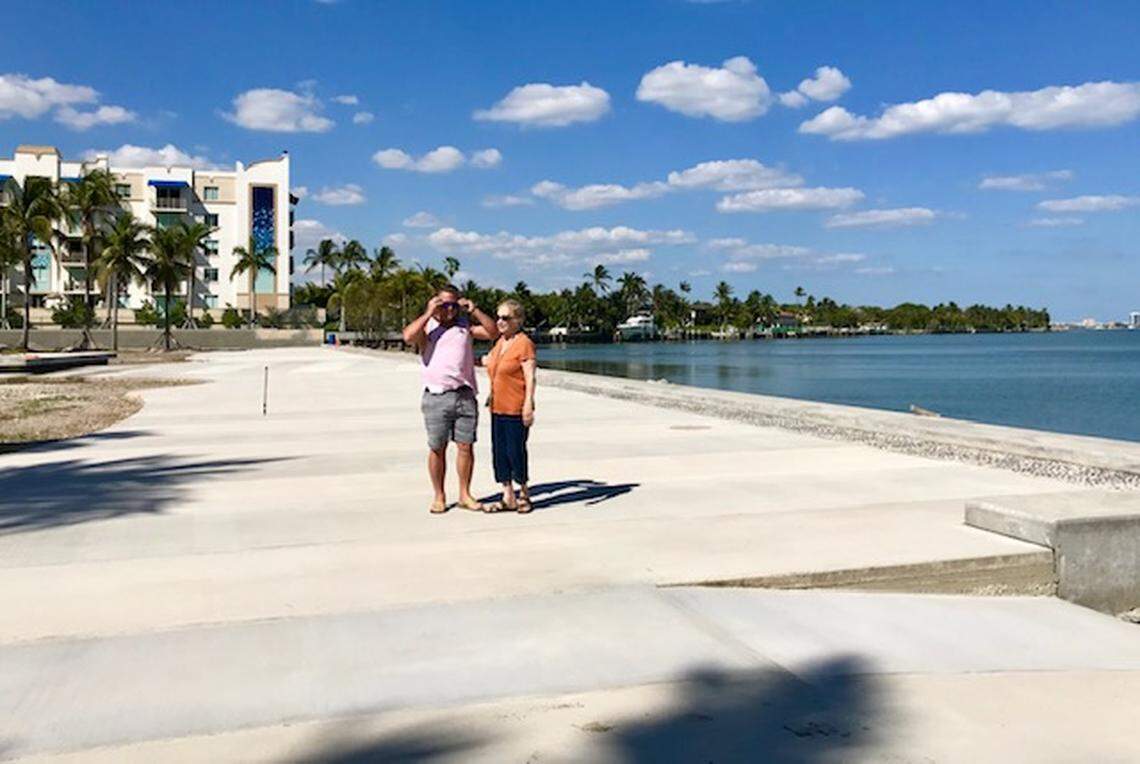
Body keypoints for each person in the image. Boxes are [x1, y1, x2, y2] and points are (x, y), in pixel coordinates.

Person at [402, 285, 498, 514]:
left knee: (466, 447)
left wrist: (474, 310)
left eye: (454, 305)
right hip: (437, 395)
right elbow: (407, 337)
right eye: (444, 305)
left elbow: (493, 332)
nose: (450, 310)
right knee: (437, 448)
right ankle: (439, 495)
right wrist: (428, 312)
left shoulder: (464, 327)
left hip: (464, 394)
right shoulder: (429, 329)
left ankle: (465, 493)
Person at [483, 299, 537, 513]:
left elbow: (530, 377)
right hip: (497, 407)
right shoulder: (499, 343)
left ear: (518, 320)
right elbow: (496, 371)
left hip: (516, 407)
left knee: (516, 451)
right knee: (500, 452)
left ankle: (524, 492)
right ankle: (508, 495)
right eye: (498, 317)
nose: (500, 322)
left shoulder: (524, 343)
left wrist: (528, 404)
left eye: (506, 318)